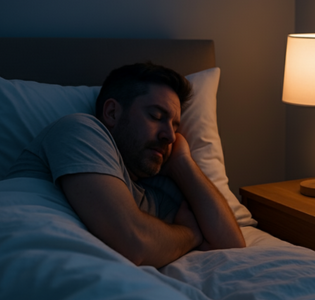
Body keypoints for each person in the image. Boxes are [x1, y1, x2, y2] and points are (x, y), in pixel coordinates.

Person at [6, 62, 246, 268]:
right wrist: (190, 234)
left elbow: (231, 244)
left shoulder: (157, 188)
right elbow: (134, 243)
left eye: (175, 126)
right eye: (156, 116)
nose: (170, 136)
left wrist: (184, 163)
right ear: (111, 113)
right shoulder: (80, 130)